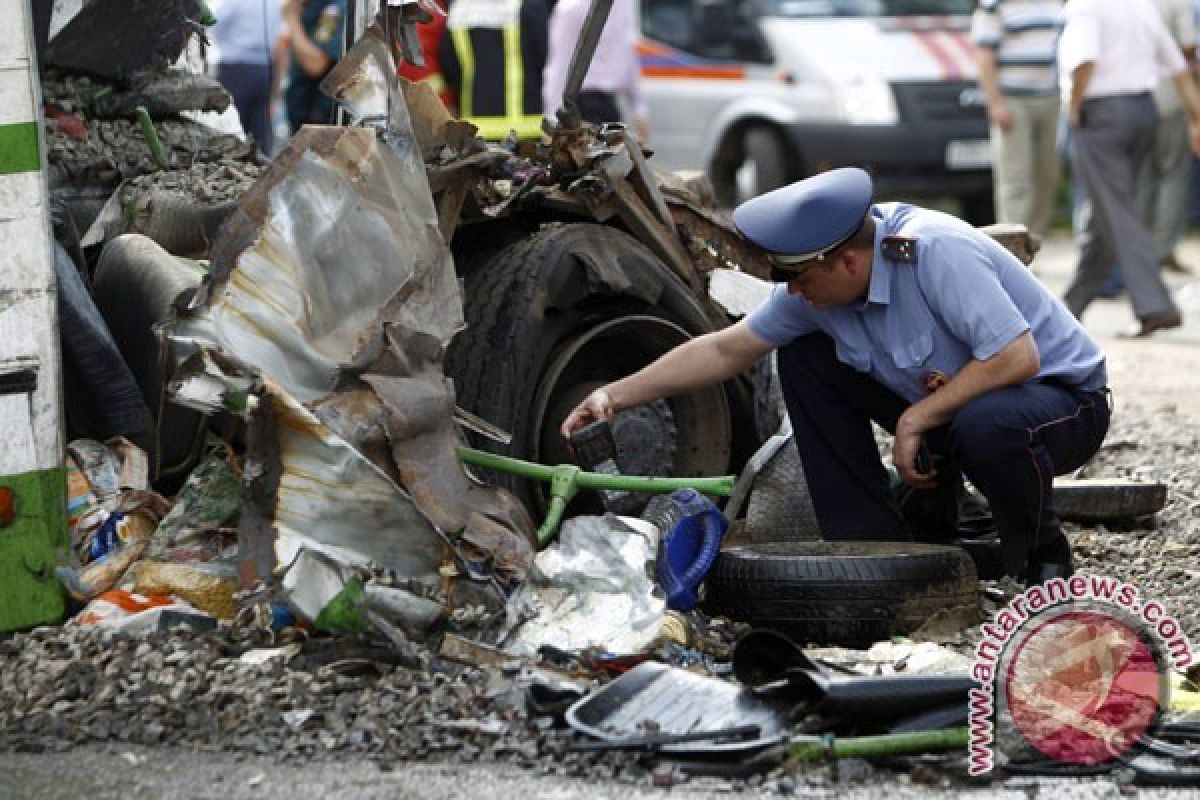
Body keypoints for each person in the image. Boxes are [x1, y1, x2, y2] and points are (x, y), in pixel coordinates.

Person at [561, 168, 1111, 585]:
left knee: (987, 424)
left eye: (797, 277)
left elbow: (1018, 358)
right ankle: (877, 550)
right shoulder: (819, 288)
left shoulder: (935, 252)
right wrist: (615, 395)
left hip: (1061, 404)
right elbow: (725, 350)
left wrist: (916, 419)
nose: (791, 291)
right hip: (955, 408)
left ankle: (1041, 558)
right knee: (804, 359)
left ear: (846, 262)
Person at [1059, 0, 1200, 336]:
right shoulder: (1141, 5)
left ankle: (1155, 306)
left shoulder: (1086, 7)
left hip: (1102, 112)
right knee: (1106, 211)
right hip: (1143, 110)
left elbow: (1084, 61)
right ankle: (1069, 308)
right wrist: (1196, 118)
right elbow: (1179, 66)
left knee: (1118, 209)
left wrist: (1074, 108)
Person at [971, 0, 1065, 239]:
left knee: (1047, 175)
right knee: (1016, 180)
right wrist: (995, 102)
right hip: (1013, 99)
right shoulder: (994, 5)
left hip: (1051, 98)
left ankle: (1033, 242)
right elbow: (984, 55)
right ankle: (1011, 248)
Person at [1138, 0, 1197, 275]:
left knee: (1140, 177)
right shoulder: (1175, 2)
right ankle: (1163, 249)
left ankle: (1139, 251)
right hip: (1171, 96)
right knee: (1172, 176)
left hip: (1135, 99)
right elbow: (1188, 47)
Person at [439, 0, 550, 141]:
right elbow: (546, 59)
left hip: (474, 133)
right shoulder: (530, 6)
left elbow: (450, 68)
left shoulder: (457, 12)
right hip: (526, 132)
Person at [541, 0, 648, 139]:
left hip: (593, 107)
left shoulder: (570, 8)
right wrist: (639, 108)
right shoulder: (620, 5)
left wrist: (551, 117)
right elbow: (629, 54)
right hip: (585, 107)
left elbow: (559, 65)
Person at [210, 0, 285, 155]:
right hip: (263, 68)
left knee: (230, 126)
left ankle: (230, 164)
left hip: (236, 68)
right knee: (260, 130)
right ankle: (261, 169)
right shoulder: (274, 4)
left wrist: (230, 46)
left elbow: (214, 24)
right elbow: (279, 39)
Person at [283, 0, 346, 132]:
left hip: (319, 119)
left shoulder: (333, 9)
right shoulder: (310, 7)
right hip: (302, 115)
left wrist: (292, 18)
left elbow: (316, 65)